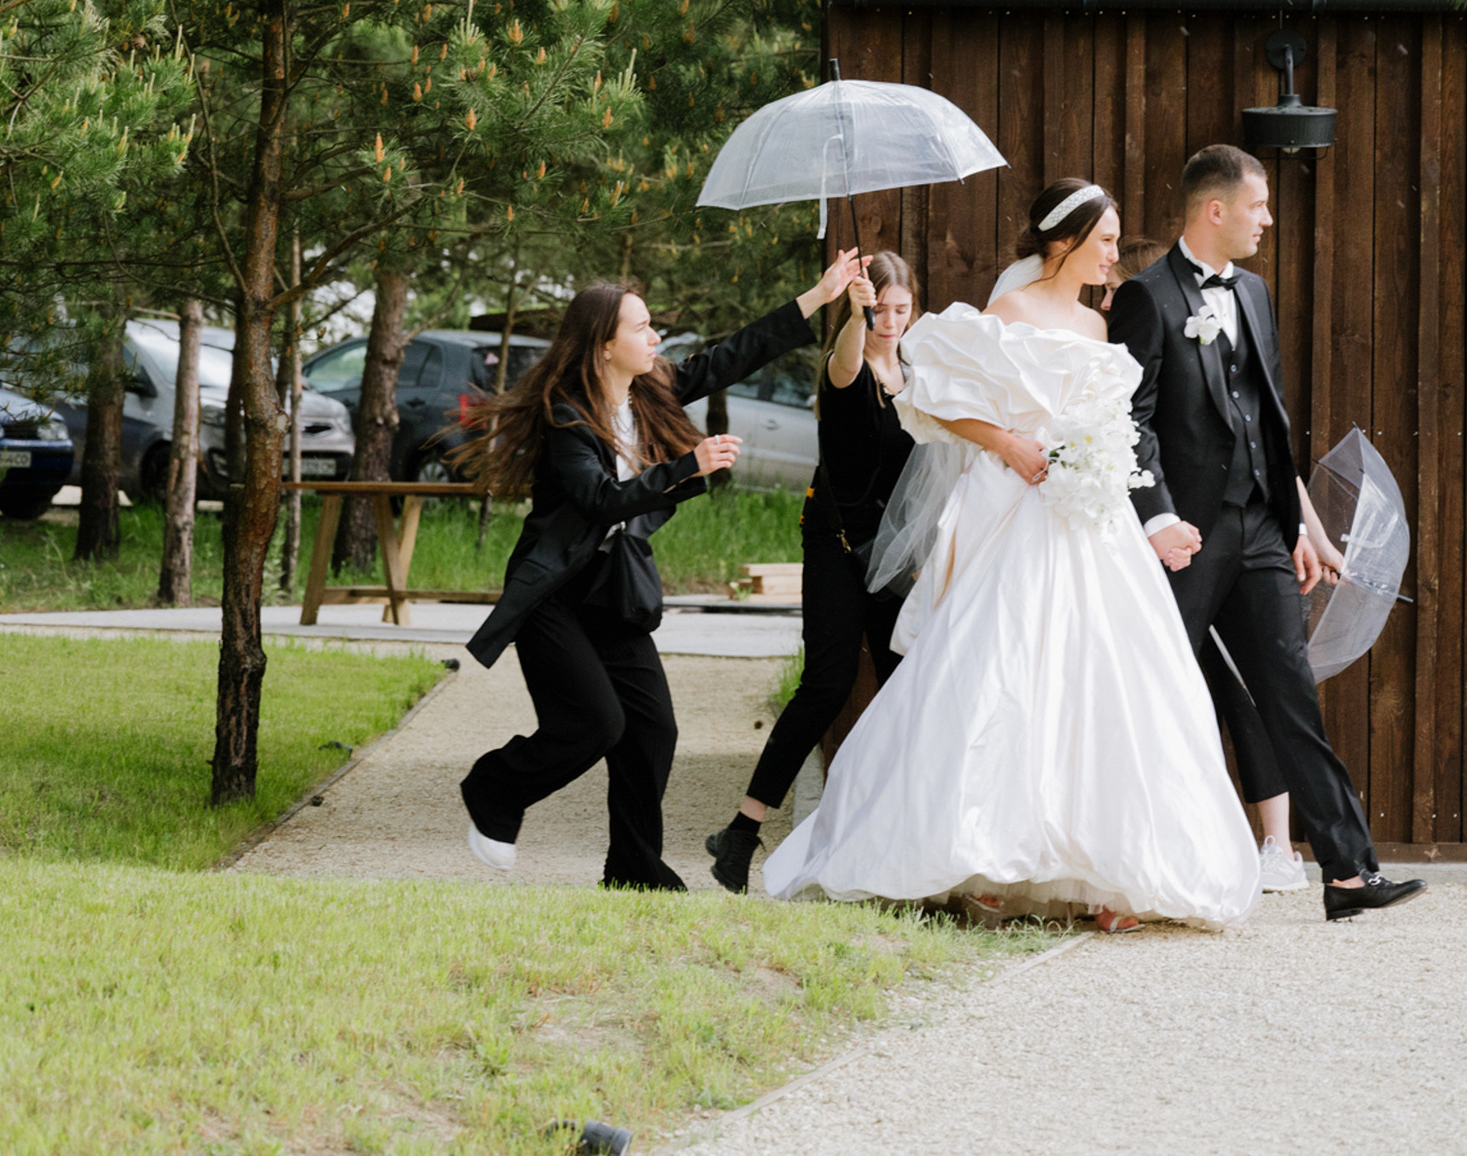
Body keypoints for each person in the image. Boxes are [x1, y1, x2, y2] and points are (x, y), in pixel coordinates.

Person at [763, 180, 1260, 933]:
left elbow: (1115, 431)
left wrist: (1133, 501)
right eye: (1103, 240)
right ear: (1062, 241)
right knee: (1005, 672)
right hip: (1021, 514)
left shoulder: (1098, 329)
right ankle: (984, 857)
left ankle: (1112, 872)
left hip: (1090, 525)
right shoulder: (1006, 315)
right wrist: (1009, 443)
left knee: (1105, 681)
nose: (1112, 254)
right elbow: (934, 401)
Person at [456, 250, 866, 889]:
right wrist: (687, 467)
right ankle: (493, 787)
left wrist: (817, 296)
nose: (655, 338)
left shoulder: (646, 389)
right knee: (594, 724)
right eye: (641, 328)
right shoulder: (567, 415)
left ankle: (633, 869)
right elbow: (599, 499)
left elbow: (726, 358)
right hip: (556, 597)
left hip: (613, 591)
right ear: (602, 346)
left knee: (652, 730)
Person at [1109, 144, 1427, 921]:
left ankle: (1348, 873)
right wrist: (1157, 521)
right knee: (1156, 696)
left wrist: (1304, 529)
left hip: (1258, 531)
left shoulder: (1252, 292)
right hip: (1185, 536)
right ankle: (1118, 872)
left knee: (1289, 692)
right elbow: (1129, 424)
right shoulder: (1146, 299)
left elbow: (1268, 423)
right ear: (1214, 210)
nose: (1268, 219)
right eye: (1258, 206)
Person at [706, 250, 919, 894]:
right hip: (836, 541)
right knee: (826, 685)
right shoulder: (843, 363)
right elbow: (851, 357)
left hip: (895, 554)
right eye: (879, 307)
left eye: (901, 308)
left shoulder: (919, 372)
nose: (890, 319)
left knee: (909, 682)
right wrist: (852, 313)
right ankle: (743, 831)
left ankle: (898, 834)